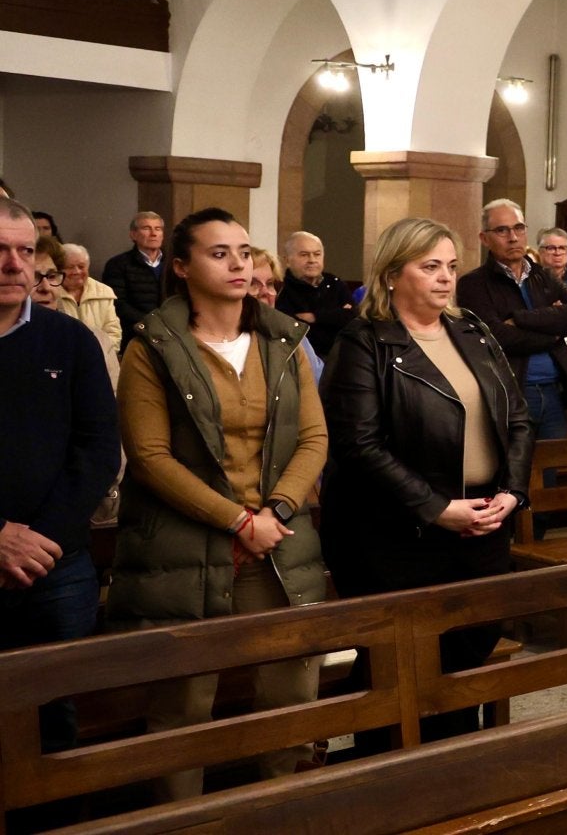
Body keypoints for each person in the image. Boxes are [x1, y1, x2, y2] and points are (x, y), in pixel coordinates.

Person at [106, 207, 328, 801]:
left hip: (277, 543)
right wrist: (235, 519)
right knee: (183, 708)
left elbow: (314, 438)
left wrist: (276, 513)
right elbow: (151, 458)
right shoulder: (152, 345)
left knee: (290, 700)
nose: (238, 264)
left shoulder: (283, 340)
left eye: (244, 251)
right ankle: (183, 822)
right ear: (181, 267)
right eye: (218, 252)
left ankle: (281, 815)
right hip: (188, 545)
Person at [320, 216, 532, 738]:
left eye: (452, 267)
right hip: (398, 537)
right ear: (392, 274)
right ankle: (390, 785)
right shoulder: (364, 342)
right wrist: (435, 507)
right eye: (430, 266)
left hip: (482, 522)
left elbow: (518, 418)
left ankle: (452, 779)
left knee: (463, 665)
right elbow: (357, 446)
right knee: (401, 675)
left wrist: (512, 493)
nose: (445, 278)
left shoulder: (472, 330)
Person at [0, 198, 121, 753]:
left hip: (58, 564)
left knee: (55, 725)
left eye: (25, 251)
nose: (15, 265)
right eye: (0, 251)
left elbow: (97, 448)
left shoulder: (70, 340)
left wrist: (41, 538)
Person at [456, 199, 567, 444]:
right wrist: (552, 332)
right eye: (502, 230)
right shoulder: (474, 284)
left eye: (519, 228)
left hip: (555, 392)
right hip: (513, 394)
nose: (513, 237)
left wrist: (520, 318)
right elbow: (496, 336)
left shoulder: (542, 276)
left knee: (550, 476)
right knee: (515, 476)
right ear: (484, 238)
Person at [249, 246, 323, 384]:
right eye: (253, 284)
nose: (265, 292)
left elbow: (317, 386)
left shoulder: (293, 335)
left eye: (270, 284)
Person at [275, 230, 354, 358]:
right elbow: (294, 331)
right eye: (304, 255)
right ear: (287, 260)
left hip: (341, 357)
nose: (312, 260)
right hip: (304, 359)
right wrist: (336, 316)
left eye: (317, 254)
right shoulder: (282, 290)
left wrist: (315, 317)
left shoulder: (335, 283)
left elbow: (353, 318)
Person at [102, 210, 166, 351]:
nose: (153, 233)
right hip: (135, 335)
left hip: (171, 334)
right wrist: (151, 323)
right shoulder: (118, 264)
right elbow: (117, 303)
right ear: (133, 234)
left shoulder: (173, 263)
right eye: (146, 228)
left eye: (158, 229)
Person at [59, 242, 122, 350]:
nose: (76, 271)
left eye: (81, 266)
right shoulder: (50, 294)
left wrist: (92, 354)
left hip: (100, 359)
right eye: (70, 267)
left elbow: (114, 335)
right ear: (58, 269)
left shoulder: (103, 292)